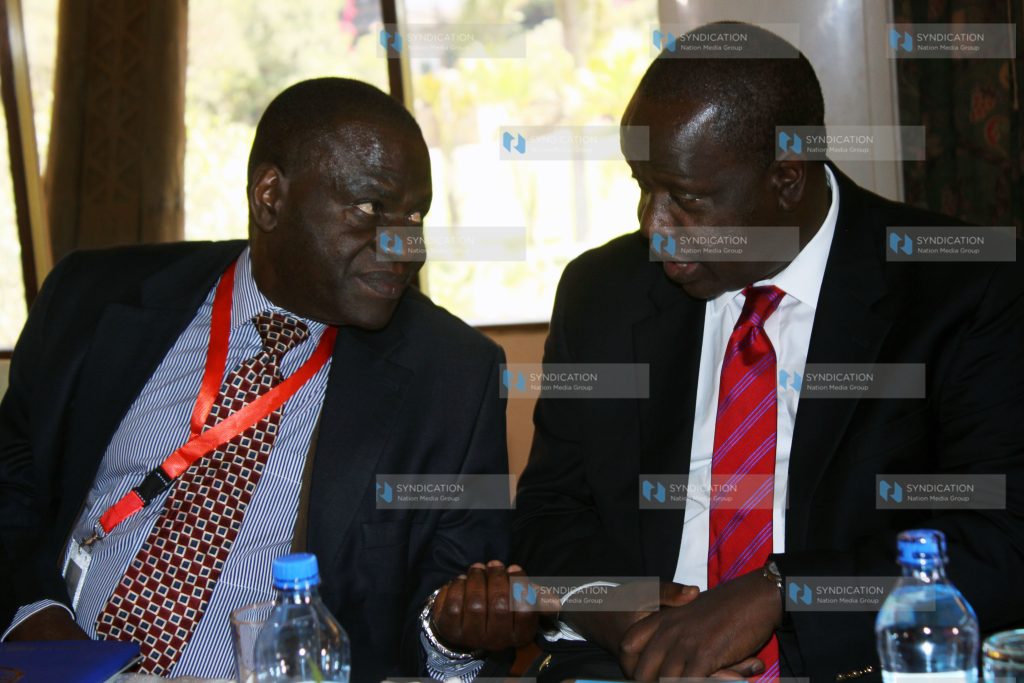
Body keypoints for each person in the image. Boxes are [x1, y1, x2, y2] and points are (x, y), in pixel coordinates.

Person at [512, 22, 1024, 683]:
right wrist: (643, 629)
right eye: (643, 185)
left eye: (686, 199)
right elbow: (551, 512)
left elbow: (1002, 536)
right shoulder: (603, 293)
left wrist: (780, 590)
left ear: (785, 179)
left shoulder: (960, 289)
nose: (654, 226)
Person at [0, 78, 538, 682]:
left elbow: (444, 610)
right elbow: (10, 481)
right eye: (371, 209)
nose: (406, 244)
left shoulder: (453, 378)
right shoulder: (94, 299)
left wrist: (453, 636)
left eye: (416, 216)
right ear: (270, 196)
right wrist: (31, 615)